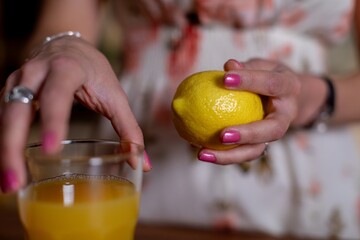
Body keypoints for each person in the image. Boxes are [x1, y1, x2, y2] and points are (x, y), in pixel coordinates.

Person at [0, 0, 359, 238]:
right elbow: (67, 14)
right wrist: (64, 43)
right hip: (138, 164)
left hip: (310, 185)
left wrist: (316, 96)